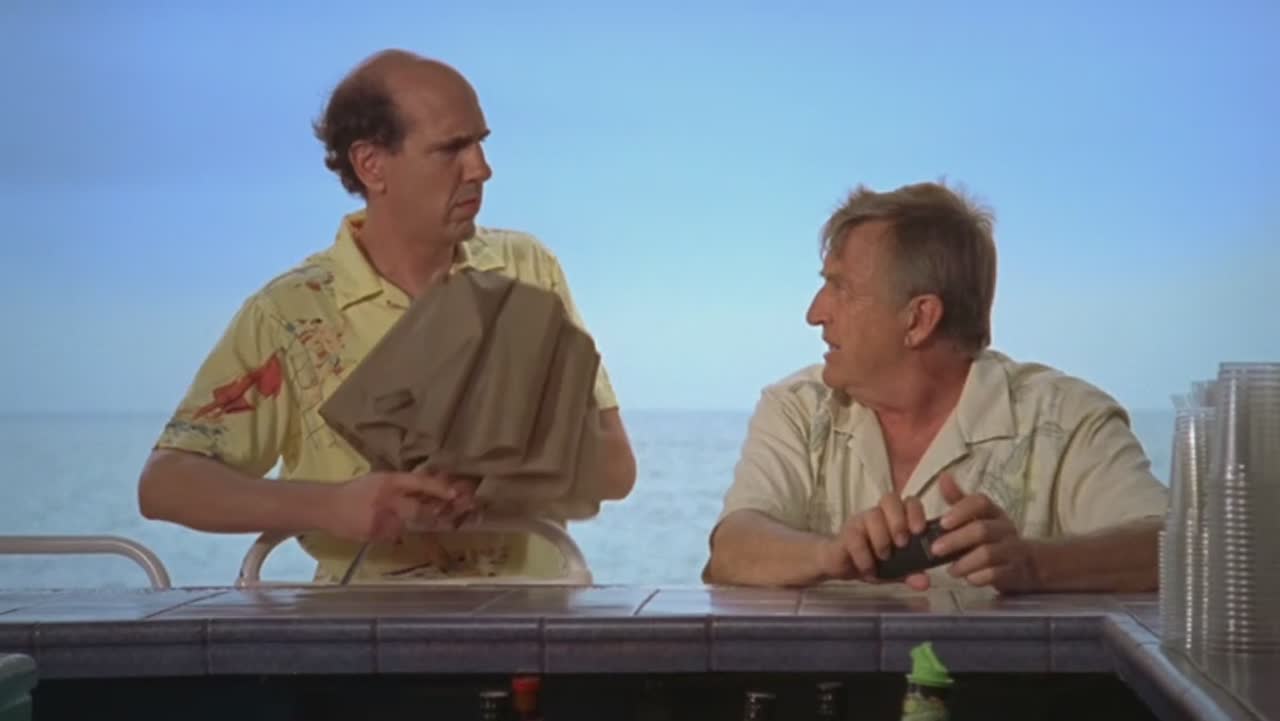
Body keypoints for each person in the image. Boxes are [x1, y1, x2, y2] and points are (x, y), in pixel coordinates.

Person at [137, 50, 636, 582]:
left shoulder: (528, 270)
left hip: (535, 617)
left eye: (480, 143)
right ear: (371, 164)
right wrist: (331, 506)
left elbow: (617, 468)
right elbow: (166, 484)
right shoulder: (292, 313)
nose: (481, 169)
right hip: (364, 626)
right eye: (451, 149)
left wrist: (497, 474)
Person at [704, 181, 1167, 592]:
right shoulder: (798, 409)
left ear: (919, 319)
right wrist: (831, 554)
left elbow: (1175, 548)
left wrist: (1034, 564)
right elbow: (730, 551)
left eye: (840, 288)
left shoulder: (1064, 419)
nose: (815, 313)